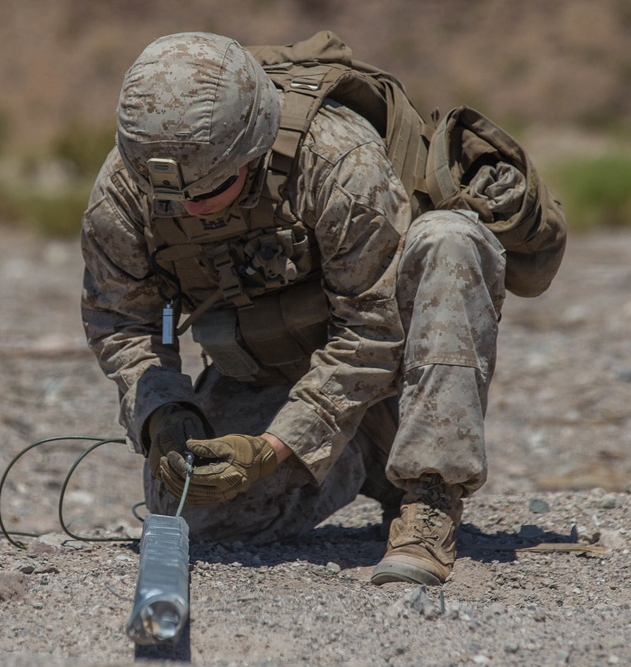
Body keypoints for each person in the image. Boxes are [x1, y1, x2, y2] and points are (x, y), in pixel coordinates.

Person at [79, 31, 565, 586]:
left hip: (389, 374)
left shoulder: (337, 159)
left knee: (449, 240)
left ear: (252, 149)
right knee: (197, 514)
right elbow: (122, 321)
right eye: (171, 195)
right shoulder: (128, 183)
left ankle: (431, 492)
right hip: (272, 377)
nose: (186, 205)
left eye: (207, 190)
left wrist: (272, 448)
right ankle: (361, 456)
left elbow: (373, 330)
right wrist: (166, 415)